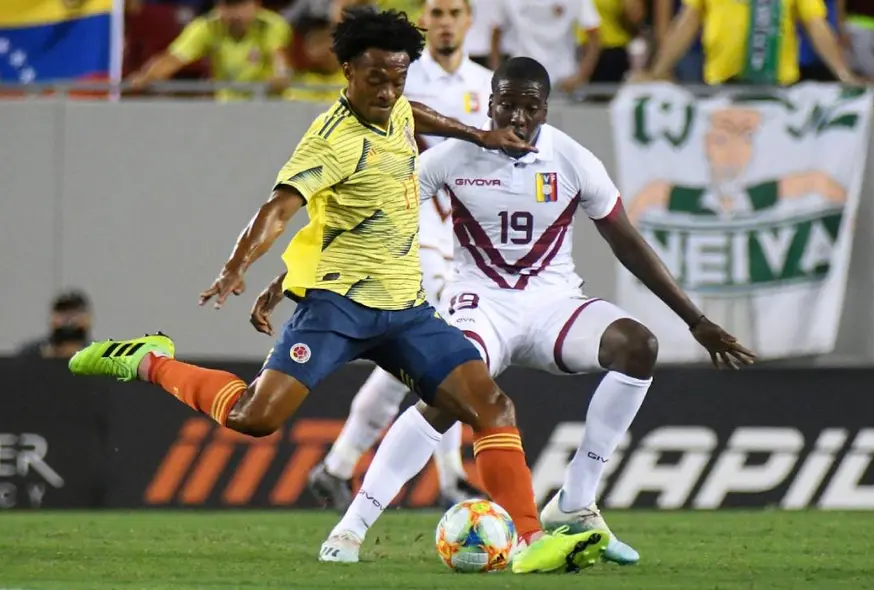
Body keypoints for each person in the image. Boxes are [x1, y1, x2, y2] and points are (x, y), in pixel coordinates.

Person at [68, 7, 610, 575]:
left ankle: (529, 540)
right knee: (254, 417)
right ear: (347, 70)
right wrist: (237, 266)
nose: (388, 92)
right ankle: (150, 360)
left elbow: (413, 115)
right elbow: (279, 209)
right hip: (337, 308)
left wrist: (477, 133)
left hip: (405, 311)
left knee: (492, 406)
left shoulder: (395, 108)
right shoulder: (331, 140)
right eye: (376, 79)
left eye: (398, 79)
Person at [252, 56, 754, 567]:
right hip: (480, 305)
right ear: (489, 104)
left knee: (639, 346)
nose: (518, 117)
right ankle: (352, 526)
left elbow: (627, 242)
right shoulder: (451, 158)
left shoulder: (572, 159)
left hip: (554, 304)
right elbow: (369, 218)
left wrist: (696, 321)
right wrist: (291, 277)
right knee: (447, 399)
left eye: (530, 108)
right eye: (507, 105)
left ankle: (577, 501)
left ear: (545, 110)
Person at [305, 0, 495, 510]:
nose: (446, 21)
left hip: (467, 237)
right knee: (444, 346)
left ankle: (338, 465)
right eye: (437, 11)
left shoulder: (488, 86)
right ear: (425, 19)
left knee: (415, 360)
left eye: (455, 12)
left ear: (470, 20)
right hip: (412, 227)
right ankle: (450, 477)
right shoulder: (398, 73)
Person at [642, 0, 858, 85]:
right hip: (723, 88)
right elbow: (687, 22)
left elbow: (815, 25)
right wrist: (657, 71)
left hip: (777, 90)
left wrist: (844, 74)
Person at [127, 0, 293, 101]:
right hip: (226, 106)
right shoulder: (206, 26)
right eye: (228, 5)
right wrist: (147, 76)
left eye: (241, 4)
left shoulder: (272, 25)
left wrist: (281, 75)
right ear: (219, 7)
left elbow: (279, 57)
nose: (235, 14)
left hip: (268, 103)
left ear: (256, 4)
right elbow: (173, 58)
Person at [18, 290, 93, 359]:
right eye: (62, 312)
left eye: (75, 313)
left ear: (88, 319)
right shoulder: (32, 353)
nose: (68, 320)